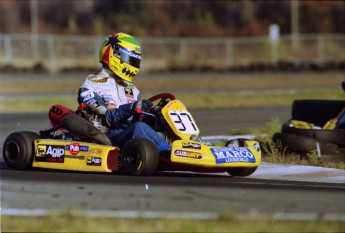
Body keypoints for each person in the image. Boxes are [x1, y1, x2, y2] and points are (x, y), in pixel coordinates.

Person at [77, 32, 171, 154]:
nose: (133, 64)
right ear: (114, 55)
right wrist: (131, 108)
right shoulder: (90, 85)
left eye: (135, 60)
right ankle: (169, 154)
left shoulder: (131, 88)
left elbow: (138, 118)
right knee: (139, 128)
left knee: (162, 126)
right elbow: (104, 118)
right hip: (107, 137)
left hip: (130, 135)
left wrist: (155, 113)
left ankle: (192, 147)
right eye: (130, 58)